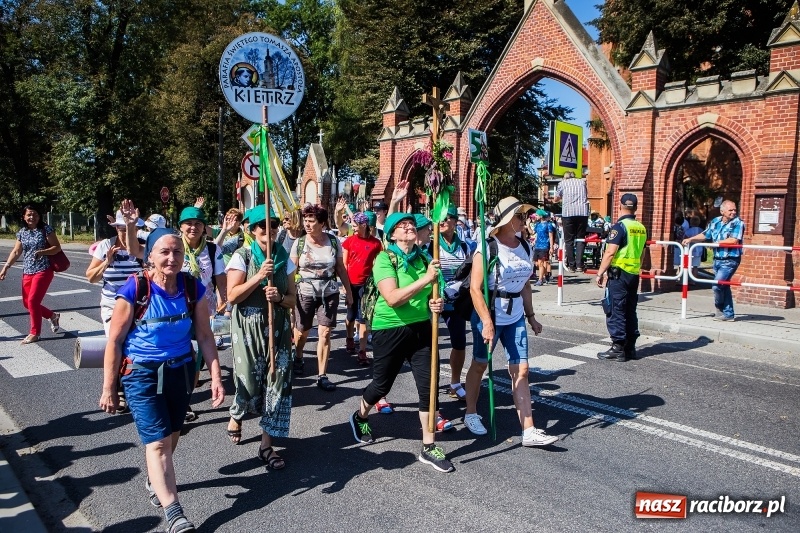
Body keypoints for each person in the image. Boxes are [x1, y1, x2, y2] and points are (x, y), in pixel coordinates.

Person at [99, 229, 224, 533]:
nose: (171, 258)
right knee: (157, 442)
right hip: (141, 374)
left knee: (173, 435)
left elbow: (205, 336)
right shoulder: (135, 288)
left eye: (177, 252)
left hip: (180, 371)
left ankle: (156, 479)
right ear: (150, 256)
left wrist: (216, 375)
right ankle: (174, 512)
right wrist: (109, 388)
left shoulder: (192, 288)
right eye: (164, 252)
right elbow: (114, 341)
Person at [347, 212, 454, 472]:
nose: (407, 227)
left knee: (429, 386)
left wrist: (437, 301)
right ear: (391, 234)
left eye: (410, 225)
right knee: (382, 385)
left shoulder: (426, 259)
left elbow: (437, 291)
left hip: (421, 328)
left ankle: (428, 447)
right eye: (400, 225)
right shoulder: (385, 258)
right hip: (390, 328)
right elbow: (393, 297)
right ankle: (360, 415)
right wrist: (426, 280)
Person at [462, 197, 557, 446]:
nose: (523, 220)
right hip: (490, 314)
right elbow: (475, 289)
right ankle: (470, 412)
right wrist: (487, 322)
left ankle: (529, 430)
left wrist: (531, 316)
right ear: (506, 220)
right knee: (480, 365)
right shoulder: (487, 247)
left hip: (515, 317)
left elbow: (525, 284)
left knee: (522, 370)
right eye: (519, 216)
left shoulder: (524, 246)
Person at [225, 207, 297, 469]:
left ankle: (267, 446)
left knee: (276, 383)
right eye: (264, 227)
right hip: (248, 328)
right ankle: (237, 413)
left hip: (277, 329)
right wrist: (258, 276)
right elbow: (232, 296)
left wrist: (278, 297)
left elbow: (292, 299)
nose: (270, 231)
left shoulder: (284, 258)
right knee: (250, 382)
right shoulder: (241, 256)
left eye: (274, 226)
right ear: (252, 231)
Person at [291, 204, 353, 391]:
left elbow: (340, 268)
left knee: (325, 333)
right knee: (302, 332)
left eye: (311, 221)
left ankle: (322, 375)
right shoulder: (299, 243)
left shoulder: (333, 242)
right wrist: (288, 294)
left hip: (329, 292)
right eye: (306, 221)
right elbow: (291, 270)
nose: (307, 224)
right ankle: (299, 354)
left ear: (322, 223)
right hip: (305, 292)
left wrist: (349, 292)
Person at [0, 205, 64, 344]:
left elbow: (57, 247)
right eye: (29, 214)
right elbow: (16, 252)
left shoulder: (46, 229)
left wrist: (43, 252)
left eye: (34, 214)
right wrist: (6, 267)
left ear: (39, 216)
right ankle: (52, 315)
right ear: (23, 217)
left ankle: (35, 333)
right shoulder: (22, 232)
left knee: (33, 301)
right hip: (27, 271)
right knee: (26, 303)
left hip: (44, 270)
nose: (32, 217)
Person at [595, 194, 647, 361]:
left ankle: (618, 347)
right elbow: (643, 253)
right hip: (633, 273)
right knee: (630, 310)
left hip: (619, 274)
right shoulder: (641, 227)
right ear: (636, 207)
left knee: (616, 309)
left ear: (620, 206)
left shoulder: (619, 227)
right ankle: (630, 347)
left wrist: (600, 272)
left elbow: (610, 252)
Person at [431, 206, 470, 404]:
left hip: (457, 303)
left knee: (459, 343)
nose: (444, 222)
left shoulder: (464, 246)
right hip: (435, 302)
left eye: (448, 218)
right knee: (430, 347)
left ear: (456, 222)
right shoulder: (431, 245)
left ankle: (455, 383)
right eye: (440, 219)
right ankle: (430, 385)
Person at [86, 203, 144, 335]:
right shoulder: (106, 245)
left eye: (132, 229)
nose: (127, 234)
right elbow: (91, 278)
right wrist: (107, 262)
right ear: (117, 228)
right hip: (112, 304)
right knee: (116, 338)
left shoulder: (142, 248)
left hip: (139, 304)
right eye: (123, 230)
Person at [682, 200, 744, 321]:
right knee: (723, 286)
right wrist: (691, 239)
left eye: (735, 210)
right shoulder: (715, 221)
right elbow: (706, 234)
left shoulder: (738, 222)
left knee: (717, 285)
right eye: (730, 210)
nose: (733, 212)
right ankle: (728, 314)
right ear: (722, 211)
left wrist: (716, 243)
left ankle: (719, 308)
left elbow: (734, 240)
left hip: (730, 259)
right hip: (717, 259)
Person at [342, 211, 383, 365]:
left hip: (367, 285)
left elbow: (379, 263)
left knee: (363, 317)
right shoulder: (349, 241)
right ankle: (349, 338)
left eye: (355, 225)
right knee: (351, 315)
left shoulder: (376, 243)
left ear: (363, 225)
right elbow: (344, 264)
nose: (353, 228)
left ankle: (362, 350)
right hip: (351, 283)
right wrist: (345, 286)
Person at [553, 170, 589, 272]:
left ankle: (571, 265)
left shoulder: (562, 183)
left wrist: (558, 200)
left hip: (568, 213)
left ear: (565, 177)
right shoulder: (582, 182)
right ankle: (579, 264)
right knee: (581, 239)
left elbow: (556, 198)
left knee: (569, 240)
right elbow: (586, 194)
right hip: (582, 212)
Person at [531, 209, 556, 286]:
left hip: (545, 246)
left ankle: (540, 280)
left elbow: (551, 237)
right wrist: (528, 225)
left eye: (537, 215)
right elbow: (532, 232)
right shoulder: (537, 224)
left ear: (541, 216)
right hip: (537, 246)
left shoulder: (548, 225)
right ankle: (547, 275)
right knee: (537, 264)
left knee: (541, 263)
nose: (536, 216)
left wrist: (551, 247)